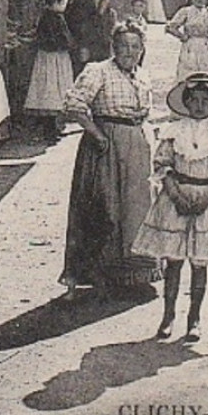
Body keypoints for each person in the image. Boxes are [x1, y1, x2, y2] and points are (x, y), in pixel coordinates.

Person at [134, 75, 208, 344]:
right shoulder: (174, 131)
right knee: (173, 261)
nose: (199, 106)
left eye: (205, 101)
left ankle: (194, 318)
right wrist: (174, 192)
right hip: (176, 198)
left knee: (199, 263)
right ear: (185, 103)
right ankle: (168, 315)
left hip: (206, 199)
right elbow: (162, 164)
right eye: (193, 100)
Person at [61, 26, 160, 298]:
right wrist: (97, 134)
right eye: (124, 46)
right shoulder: (98, 70)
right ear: (113, 47)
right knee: (105, 209)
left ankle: (133, 274)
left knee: (137, 208)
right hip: (106, 145)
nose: (130, 52)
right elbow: (74, 105)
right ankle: (98, 275)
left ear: (142, 49)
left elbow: (146, 112)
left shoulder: (142, 75)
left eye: (135, 46)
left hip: (138, 145)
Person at [24, 0, 75, 139]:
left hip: (47, 58)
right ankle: (50, 129)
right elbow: (60, 39)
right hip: (54, 58)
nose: (65, 6)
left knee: (49, 90)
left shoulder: (47, 17)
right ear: (57, 2)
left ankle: (51, 127)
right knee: (53, 89)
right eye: (64, 2)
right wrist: (69, 44)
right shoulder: (55, 18)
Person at [167, 0, 208, 79]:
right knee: (189, 74)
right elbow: (171, 27)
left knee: (207, 74)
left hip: (207, 47)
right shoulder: (186, 11)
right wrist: (182, 36)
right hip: (191, 47)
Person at [64, 0, 117, 76]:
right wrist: (82, 46)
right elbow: (80, 28)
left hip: (100, 48)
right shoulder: (82, 1)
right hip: (85, 47)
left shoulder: (104, 2)